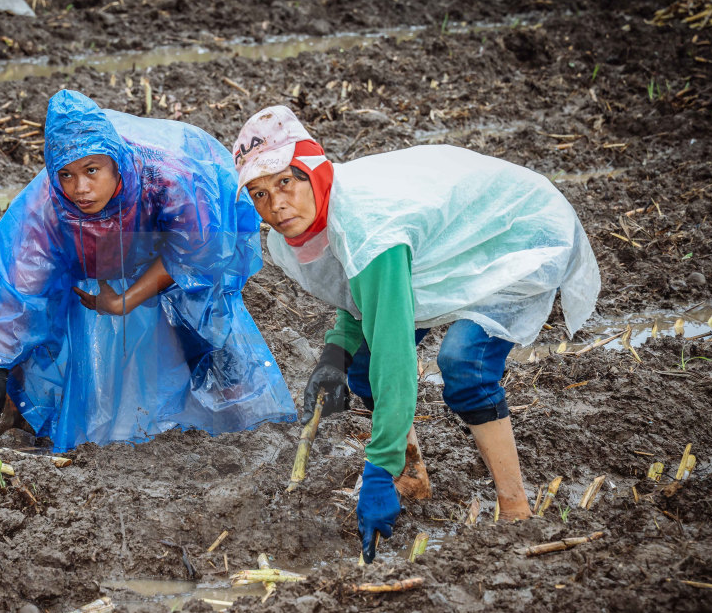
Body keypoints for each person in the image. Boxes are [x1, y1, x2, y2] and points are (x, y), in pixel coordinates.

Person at [231, 106, 600, 562]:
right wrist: (337, 354)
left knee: (464, 365)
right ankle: (412, 474)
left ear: (312, 173)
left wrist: (377, 466)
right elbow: (363, 299)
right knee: (362, 366)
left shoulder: (369, 227)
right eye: (259, 194)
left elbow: (395, 352)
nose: (275, 205)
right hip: (442, 247)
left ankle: (516, 510)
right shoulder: (301, 230)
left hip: (515, 233)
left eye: (285, 182)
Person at [0, 90, 295, 452]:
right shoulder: (43, 207)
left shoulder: (170, 178)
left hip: (174, 258)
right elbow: (19, 289)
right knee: (63, 342)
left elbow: (196, 252)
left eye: (92, 170)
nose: (80, 189)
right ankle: (31, 409)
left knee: (202, 314)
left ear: (115, 163)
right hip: (94, 272)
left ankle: (228, 390)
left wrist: (126, 300)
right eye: (67, 174)